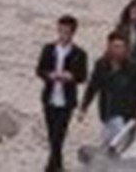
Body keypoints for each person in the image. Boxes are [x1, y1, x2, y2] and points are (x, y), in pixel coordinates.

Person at [38, 15, 89, 172]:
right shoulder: (49, 49)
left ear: (72, 33)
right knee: (52, 134)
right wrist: (49, 75)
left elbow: (82, 76)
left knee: (58, 135)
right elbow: (40, 70)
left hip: (66, 100)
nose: (62, 35)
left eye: (66, 32)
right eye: (60, 31)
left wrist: (71, 76)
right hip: (50, 97)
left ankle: (50, 167)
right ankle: (58, 165)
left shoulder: (79, 54)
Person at [81, 31, 136, 144]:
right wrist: (84, 106)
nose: (118, 50)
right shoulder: (101, 65)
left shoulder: (133, 68)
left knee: (115, 143)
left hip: (125, 113)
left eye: (120, 47)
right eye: (115, 47)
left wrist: (134, 111)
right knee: (109, 141)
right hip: (107, 110)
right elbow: (93, 86)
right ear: (109, 47)